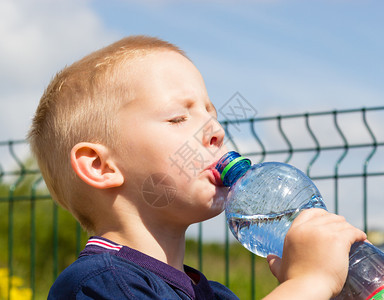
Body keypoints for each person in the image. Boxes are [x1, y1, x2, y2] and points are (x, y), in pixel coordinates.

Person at [28, 35, 366, 299]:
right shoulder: (99, 284)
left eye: (212, 116)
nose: (216, 131)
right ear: (100, 166)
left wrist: (337, 288)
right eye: (178, 118)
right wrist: (309, 283)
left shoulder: (214, 294)